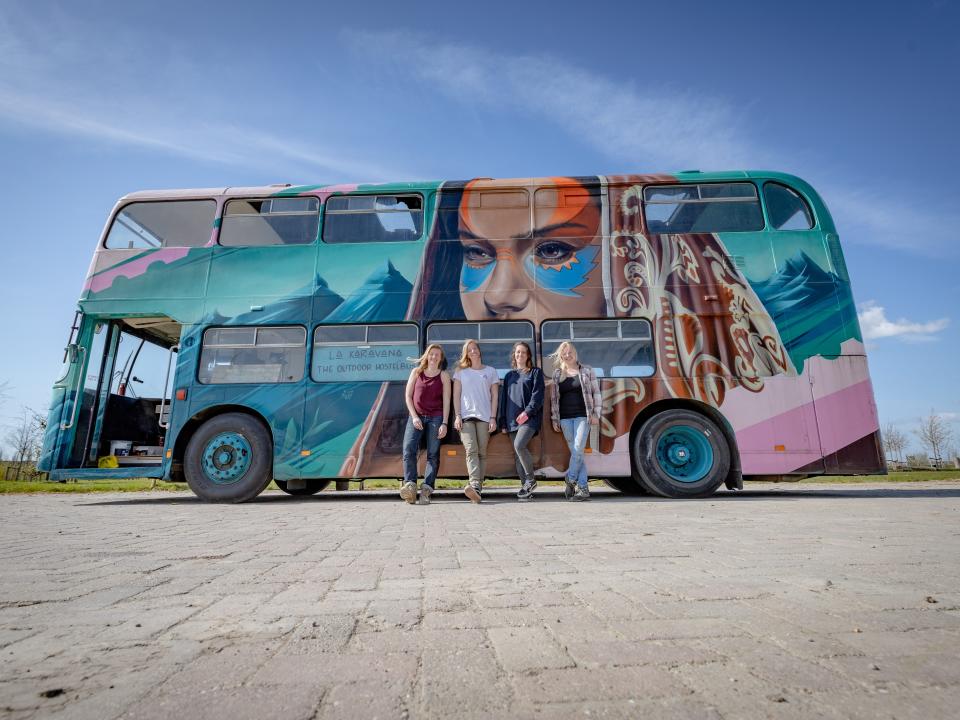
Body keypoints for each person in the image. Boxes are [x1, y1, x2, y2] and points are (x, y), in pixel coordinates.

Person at [399, 344, 451, 505]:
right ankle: (410, 486)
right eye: (431, 354)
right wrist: (414, 417)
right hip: (417, 417)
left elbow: (447, 401)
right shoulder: (416, 372)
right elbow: (408, 396)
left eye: (437, 355)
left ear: (440, 358)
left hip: (436, 417)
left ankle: (427, 489)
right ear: (427, 356)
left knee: (433, 455)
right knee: (408, 450)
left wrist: (444, 423)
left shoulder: (443, 376)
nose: (434, 357)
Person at [550, 341, 601, 501]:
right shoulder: (558, 374)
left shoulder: (586, 371)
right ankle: (583, 489)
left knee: (578, 448)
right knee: (576, 453)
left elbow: (596, 393)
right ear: (561, 355)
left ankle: (570, 479)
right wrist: (555, 418)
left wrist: (596, 414)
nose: (567, 355)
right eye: (564, 353)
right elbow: (554, 399)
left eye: (570, 352)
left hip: (582, 416)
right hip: (565, 418)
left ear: (575, 353)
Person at [452, 339, 499, 503]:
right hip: (466, 417)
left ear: (479, 351)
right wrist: (457, 415)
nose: (473, 351)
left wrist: (493, 417)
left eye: (475, 348)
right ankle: (474, 484)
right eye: (469, 349)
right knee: (471, 449)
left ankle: (478, 488)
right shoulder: (460, 372)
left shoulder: (491, 371)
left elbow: (495, 397)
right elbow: (456, 395)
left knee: (482, 453)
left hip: (485, 417)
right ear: (466, 353)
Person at [499, 342, 544, 500]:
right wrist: (503, 422)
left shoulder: (535, 373)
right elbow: (504, 400)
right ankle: (526, 487)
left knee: (519, 445)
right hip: (512, 420)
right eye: (517, 352)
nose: (520, 355)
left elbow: (537, 397)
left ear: (528, 355)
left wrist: (527, 412)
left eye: (523, 352)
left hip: (529, 419)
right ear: (514, 355)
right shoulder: (509, 376)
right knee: (517, 454)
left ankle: (531, 480)